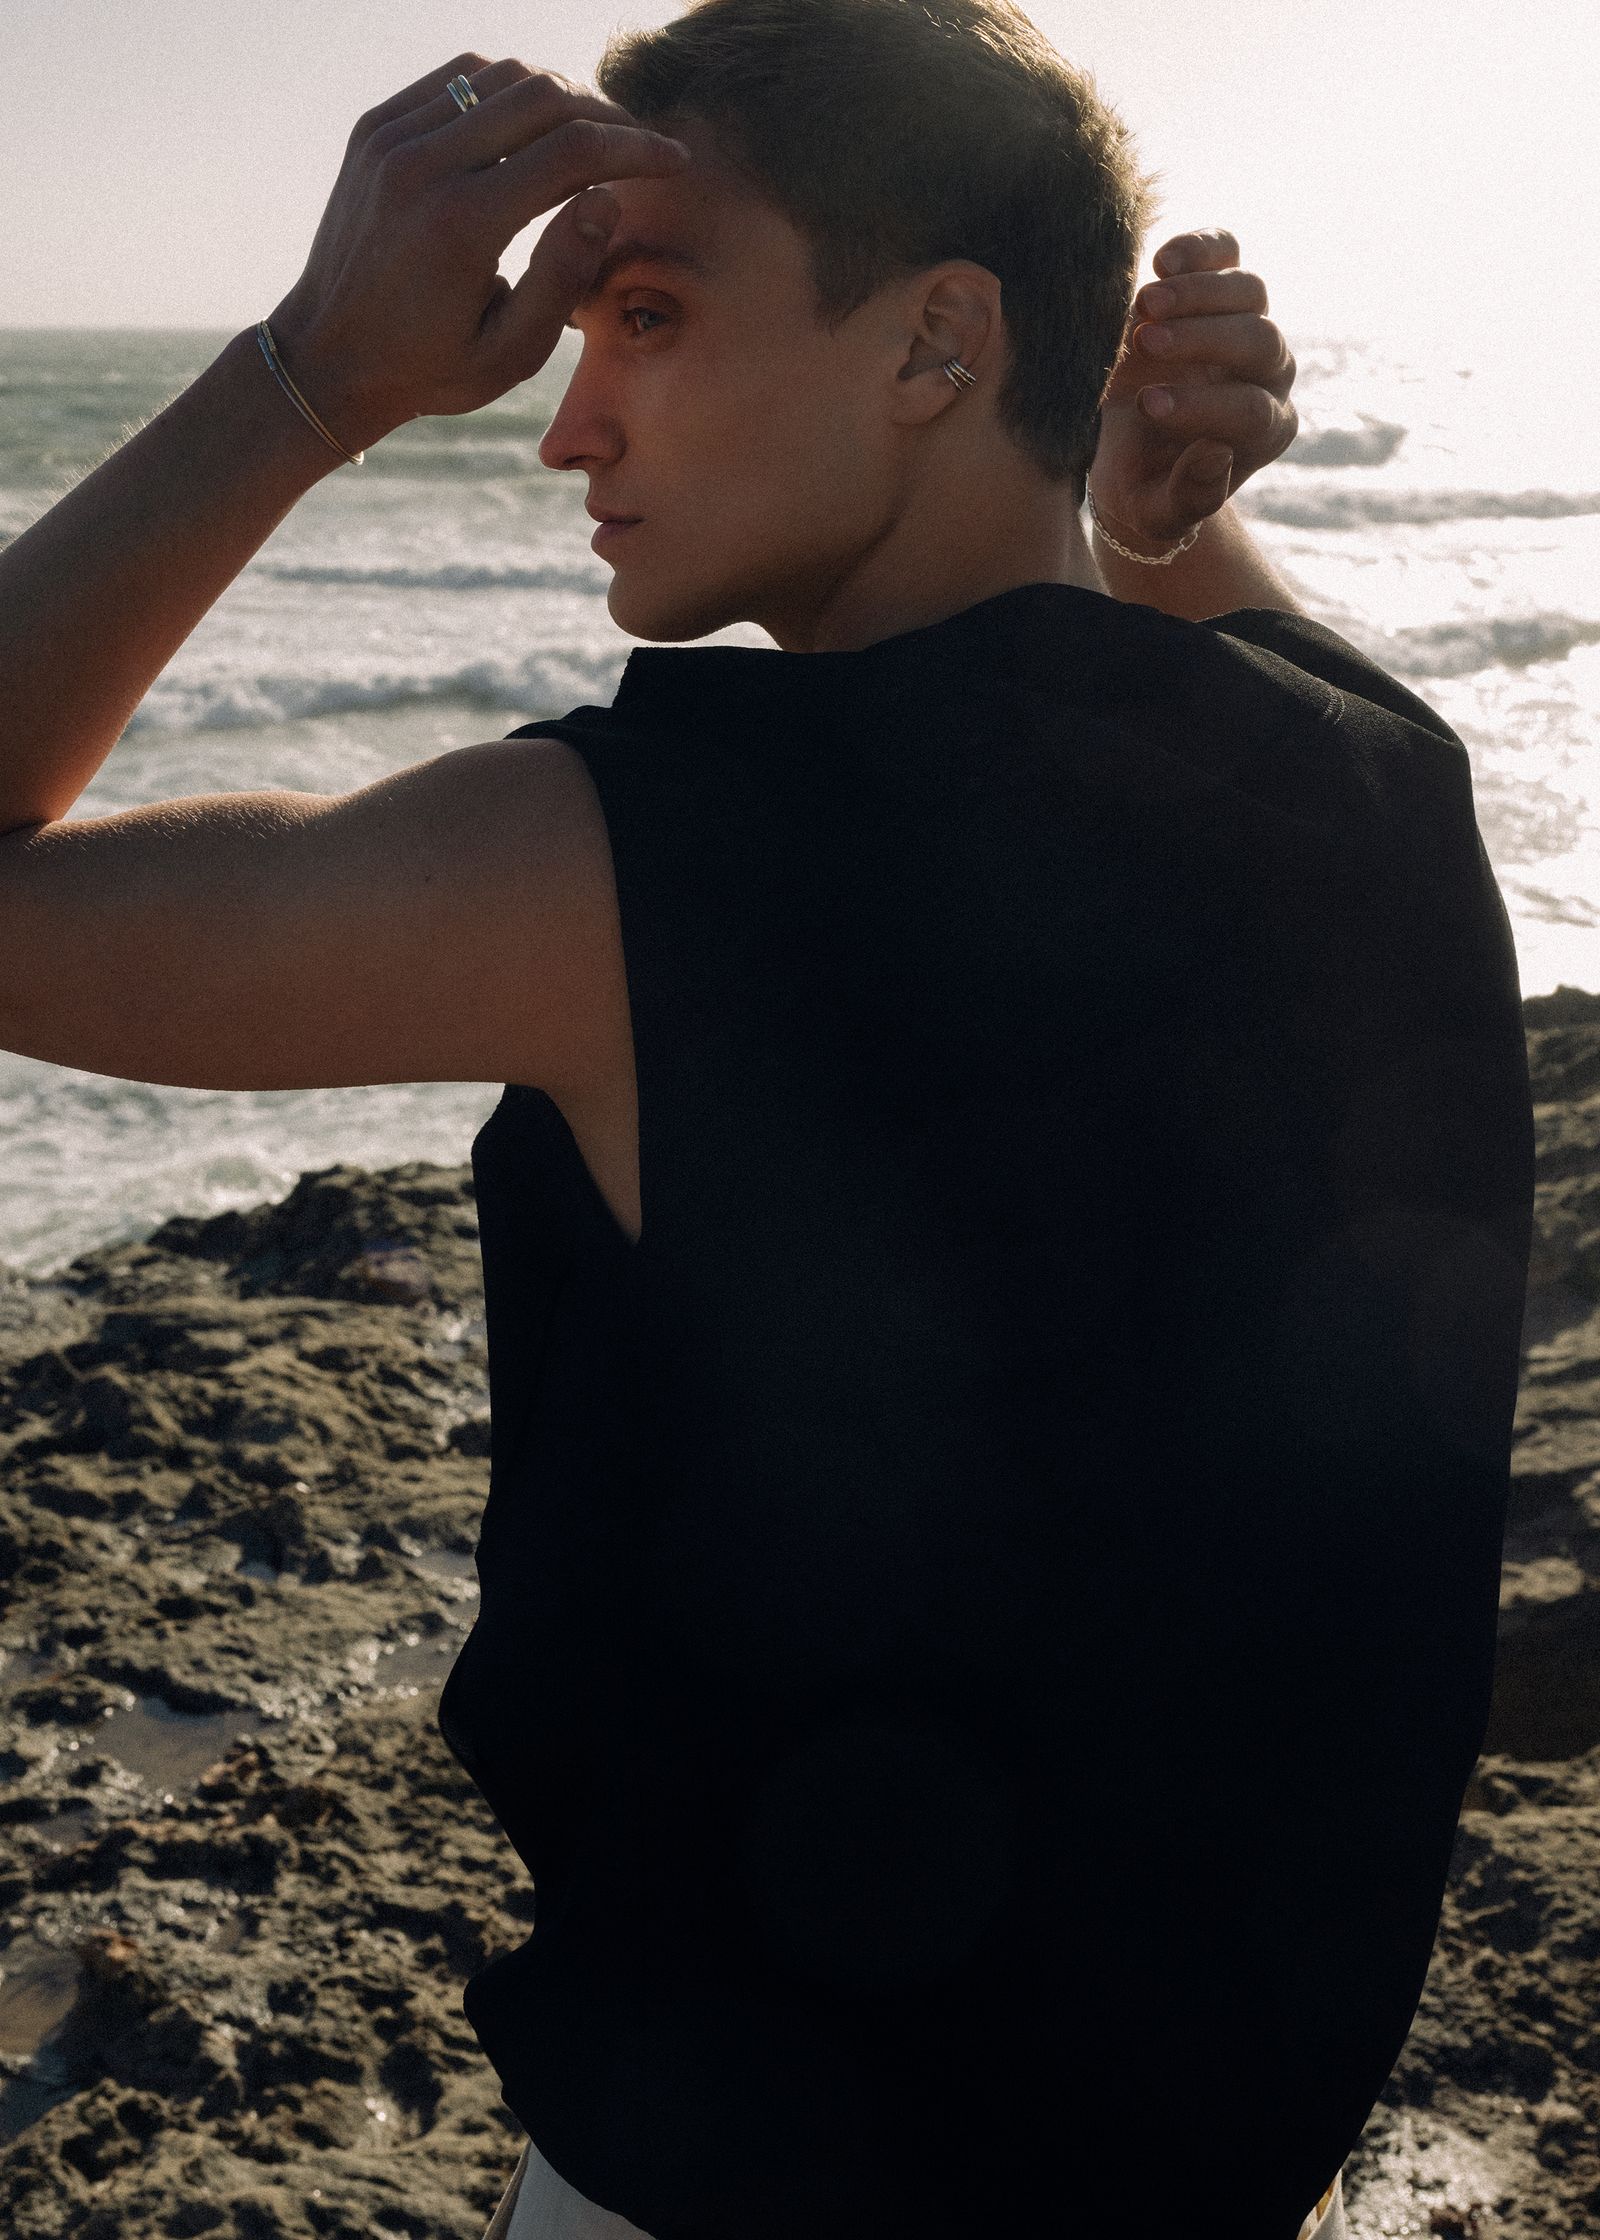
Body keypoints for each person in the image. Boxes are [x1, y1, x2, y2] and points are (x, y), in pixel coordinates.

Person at [0, 4, 1534, 2236]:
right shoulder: (1380, 791)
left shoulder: (648, 865)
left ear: (931, 342)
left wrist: (311, 377)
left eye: (646, 309)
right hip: (1194, 2168)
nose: (563, 422)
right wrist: (1140, 528)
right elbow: (1189, 678)